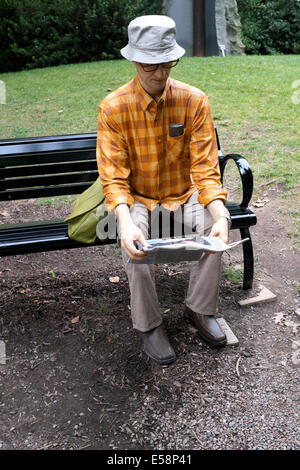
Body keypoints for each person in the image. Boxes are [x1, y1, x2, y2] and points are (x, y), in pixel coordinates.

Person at [96, 15, 231, 365]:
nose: (159, 74)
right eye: (149, 65)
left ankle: (199, 310)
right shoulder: (113, 108)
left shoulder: (194, 101)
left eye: (166, 63)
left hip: (183, 194)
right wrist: (125, 222)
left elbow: (205, 168)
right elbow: (114, 178)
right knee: (131, 240)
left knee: (212, 230)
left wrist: (221, 214)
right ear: (134, 60)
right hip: (137, 198)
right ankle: (150, 325)